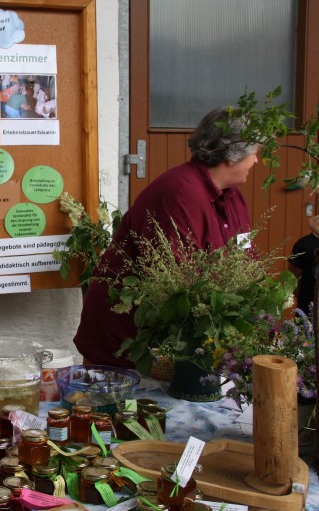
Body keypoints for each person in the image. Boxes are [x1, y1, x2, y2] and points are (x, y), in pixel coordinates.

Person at [74, 106, 258, 367]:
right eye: (254, 153)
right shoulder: (180, 194)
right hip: (127, 342)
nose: (256, 161)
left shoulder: (232, 197)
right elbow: (176, 281)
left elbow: (245, 255)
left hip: (173, 342)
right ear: (232, 155)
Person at [288, 214, 319, 314]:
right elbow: (293, 275)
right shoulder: (304, 244)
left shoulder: (303, 243)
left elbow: (293, 275)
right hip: (308, 305)